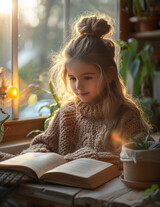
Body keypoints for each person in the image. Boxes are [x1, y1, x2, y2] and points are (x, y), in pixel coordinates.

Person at [0, 13, 151, 169]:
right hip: (60, 189)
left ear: (110, 74)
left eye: (87, 78)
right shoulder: (66, 114)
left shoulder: (126, 115)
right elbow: (43, 143)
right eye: (72, 78)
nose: (78, 86)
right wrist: (41, 155)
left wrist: (91, 159)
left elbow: (144, 152)